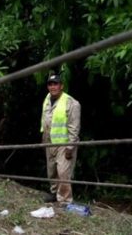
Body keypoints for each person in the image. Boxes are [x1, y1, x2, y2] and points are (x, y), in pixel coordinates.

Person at [41, 73, 81, 204]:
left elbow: (74, 127)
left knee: (63, 172)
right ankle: (54, 193)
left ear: (61, 86)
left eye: (55, 84)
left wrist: (70, 147)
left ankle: (64, 200)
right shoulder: (47, 99)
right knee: (51, 170)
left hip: (64, 143)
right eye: (50, 84)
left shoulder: (72, 103)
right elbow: (45, 120)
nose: (52, 87)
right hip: (49, 141)